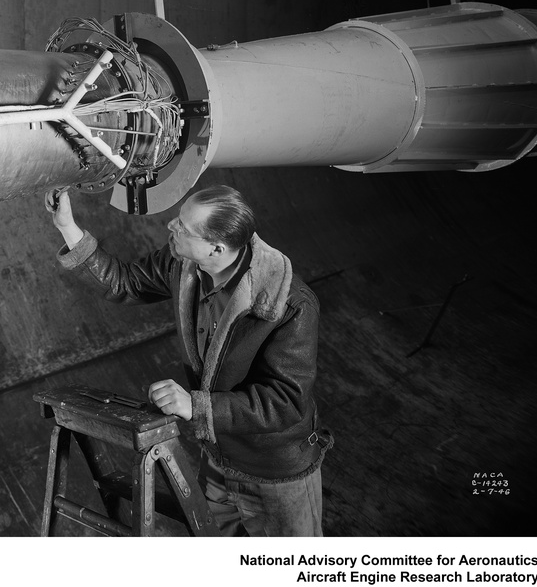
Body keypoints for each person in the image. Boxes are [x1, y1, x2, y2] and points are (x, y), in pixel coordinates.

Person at [45, 183, 332, 536]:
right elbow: (125, 282)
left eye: (183, 226)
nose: (171, 227)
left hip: (274, 474)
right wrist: (67, 226)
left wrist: (195, 406)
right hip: (216, 460)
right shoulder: (183, 264)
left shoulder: (289, 304)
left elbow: (284, 403)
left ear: (217, 247)